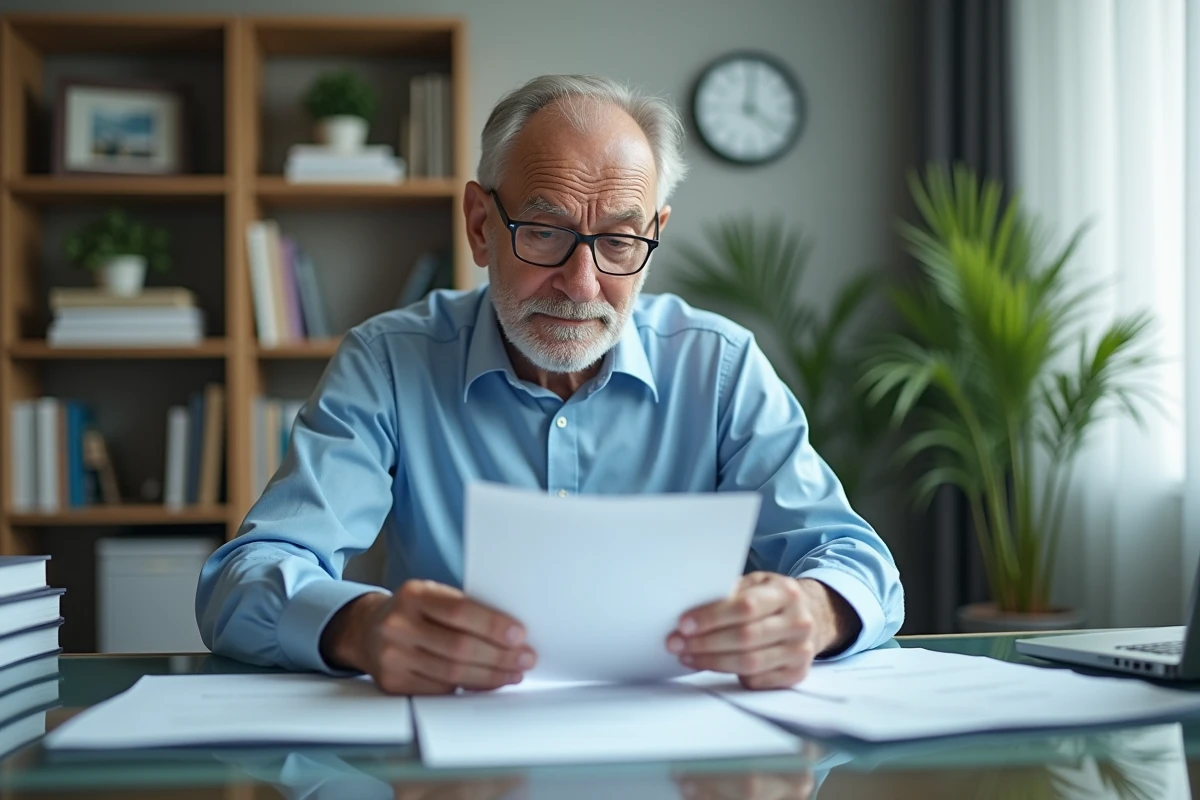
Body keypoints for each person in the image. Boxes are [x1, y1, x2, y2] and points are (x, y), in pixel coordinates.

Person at [196, 74, 904, 695]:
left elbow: (859, 563)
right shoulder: (387, 363)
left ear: (654, 234)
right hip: (460, 753)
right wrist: (361, 627)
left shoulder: (719, 367)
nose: (582, 284)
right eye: (543, 231)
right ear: (481, 225)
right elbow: (243, 579)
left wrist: (813, 613)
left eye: (619, 241)